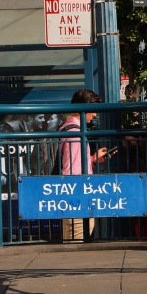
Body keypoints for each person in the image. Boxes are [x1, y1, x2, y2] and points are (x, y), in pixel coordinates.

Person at [59, 89, 112, 241]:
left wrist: (92, 159)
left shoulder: (66, 127)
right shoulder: (75, 134)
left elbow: (71, 162)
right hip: (77, 201)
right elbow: (72, 171)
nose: (94, 115)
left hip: (71, 200)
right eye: (93, 111)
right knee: (77, 244)